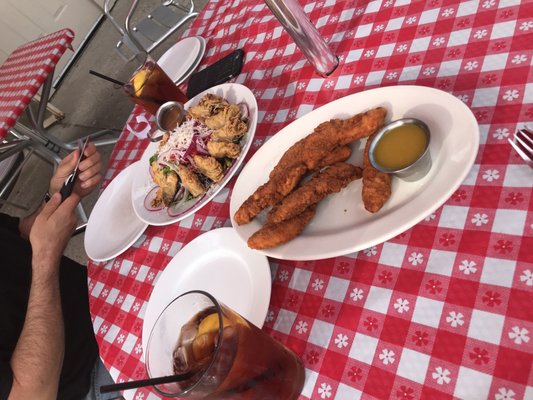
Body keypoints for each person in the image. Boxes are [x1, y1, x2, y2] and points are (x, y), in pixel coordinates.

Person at [0, 143, 122, 400]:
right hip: (94, 375)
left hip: (103, 298)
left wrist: (57, 197)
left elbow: (19, 233)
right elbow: (32, 395)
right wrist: (46, 256)